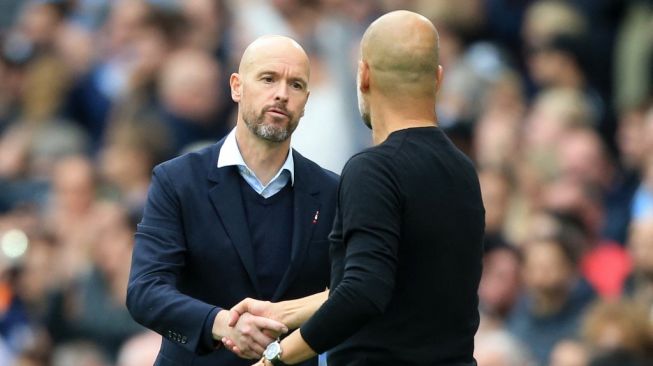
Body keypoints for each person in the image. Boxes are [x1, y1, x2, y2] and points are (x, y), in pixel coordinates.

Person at [225, 10, 485, 365]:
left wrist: (275, 357)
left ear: (363, 75)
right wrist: (280, 314)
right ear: (438, 79)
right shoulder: (463, 170)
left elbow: (362, 292)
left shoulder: (373, 169)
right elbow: (390, 283)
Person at [126, 35, 339, 366]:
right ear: (236, 87)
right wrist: (221, 323)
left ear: (306, 100)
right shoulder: (178, 180)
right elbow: (145, 291)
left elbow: (349, 293)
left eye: (295, 85)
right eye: (269, 79)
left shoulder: (332, 192)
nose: (282, 93)